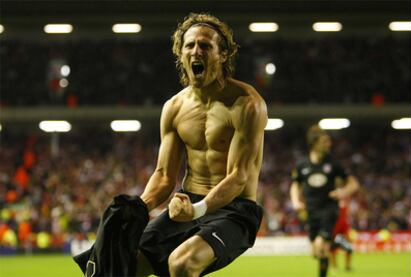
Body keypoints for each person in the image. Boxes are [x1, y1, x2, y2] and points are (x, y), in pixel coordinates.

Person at [136, 13, 267, 277]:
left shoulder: (247, 104)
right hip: (190, 200)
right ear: (180, 54)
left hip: (235, 210)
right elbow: (163, 176)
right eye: (190, 45)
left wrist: (197, 210)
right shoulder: (173, 108)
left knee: (182, 263)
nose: (196, 51)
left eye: (206, 46)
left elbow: (238, 176)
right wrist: (137, 209)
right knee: (126, 261)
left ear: (223, 55)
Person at [290, 125, 359, 277]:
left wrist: (343, 192)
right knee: (316, 252)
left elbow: (353, 183)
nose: (329, 144)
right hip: (311, 211)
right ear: (315, 143)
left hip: (329, 210)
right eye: (325, 141)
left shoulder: (334, 164)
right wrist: (295, 201)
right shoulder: (302, 165)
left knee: (322, 246)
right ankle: (338, 243)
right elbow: (295, 185)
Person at [330, 199, 354, 272]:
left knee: (348, 249)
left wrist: (347, 236)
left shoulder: (342, 218)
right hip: (333, 236)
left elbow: (344, 228)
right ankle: (335, 267)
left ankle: (345, 267)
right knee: (332, 250)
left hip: (338, 237)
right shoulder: (334, 216)